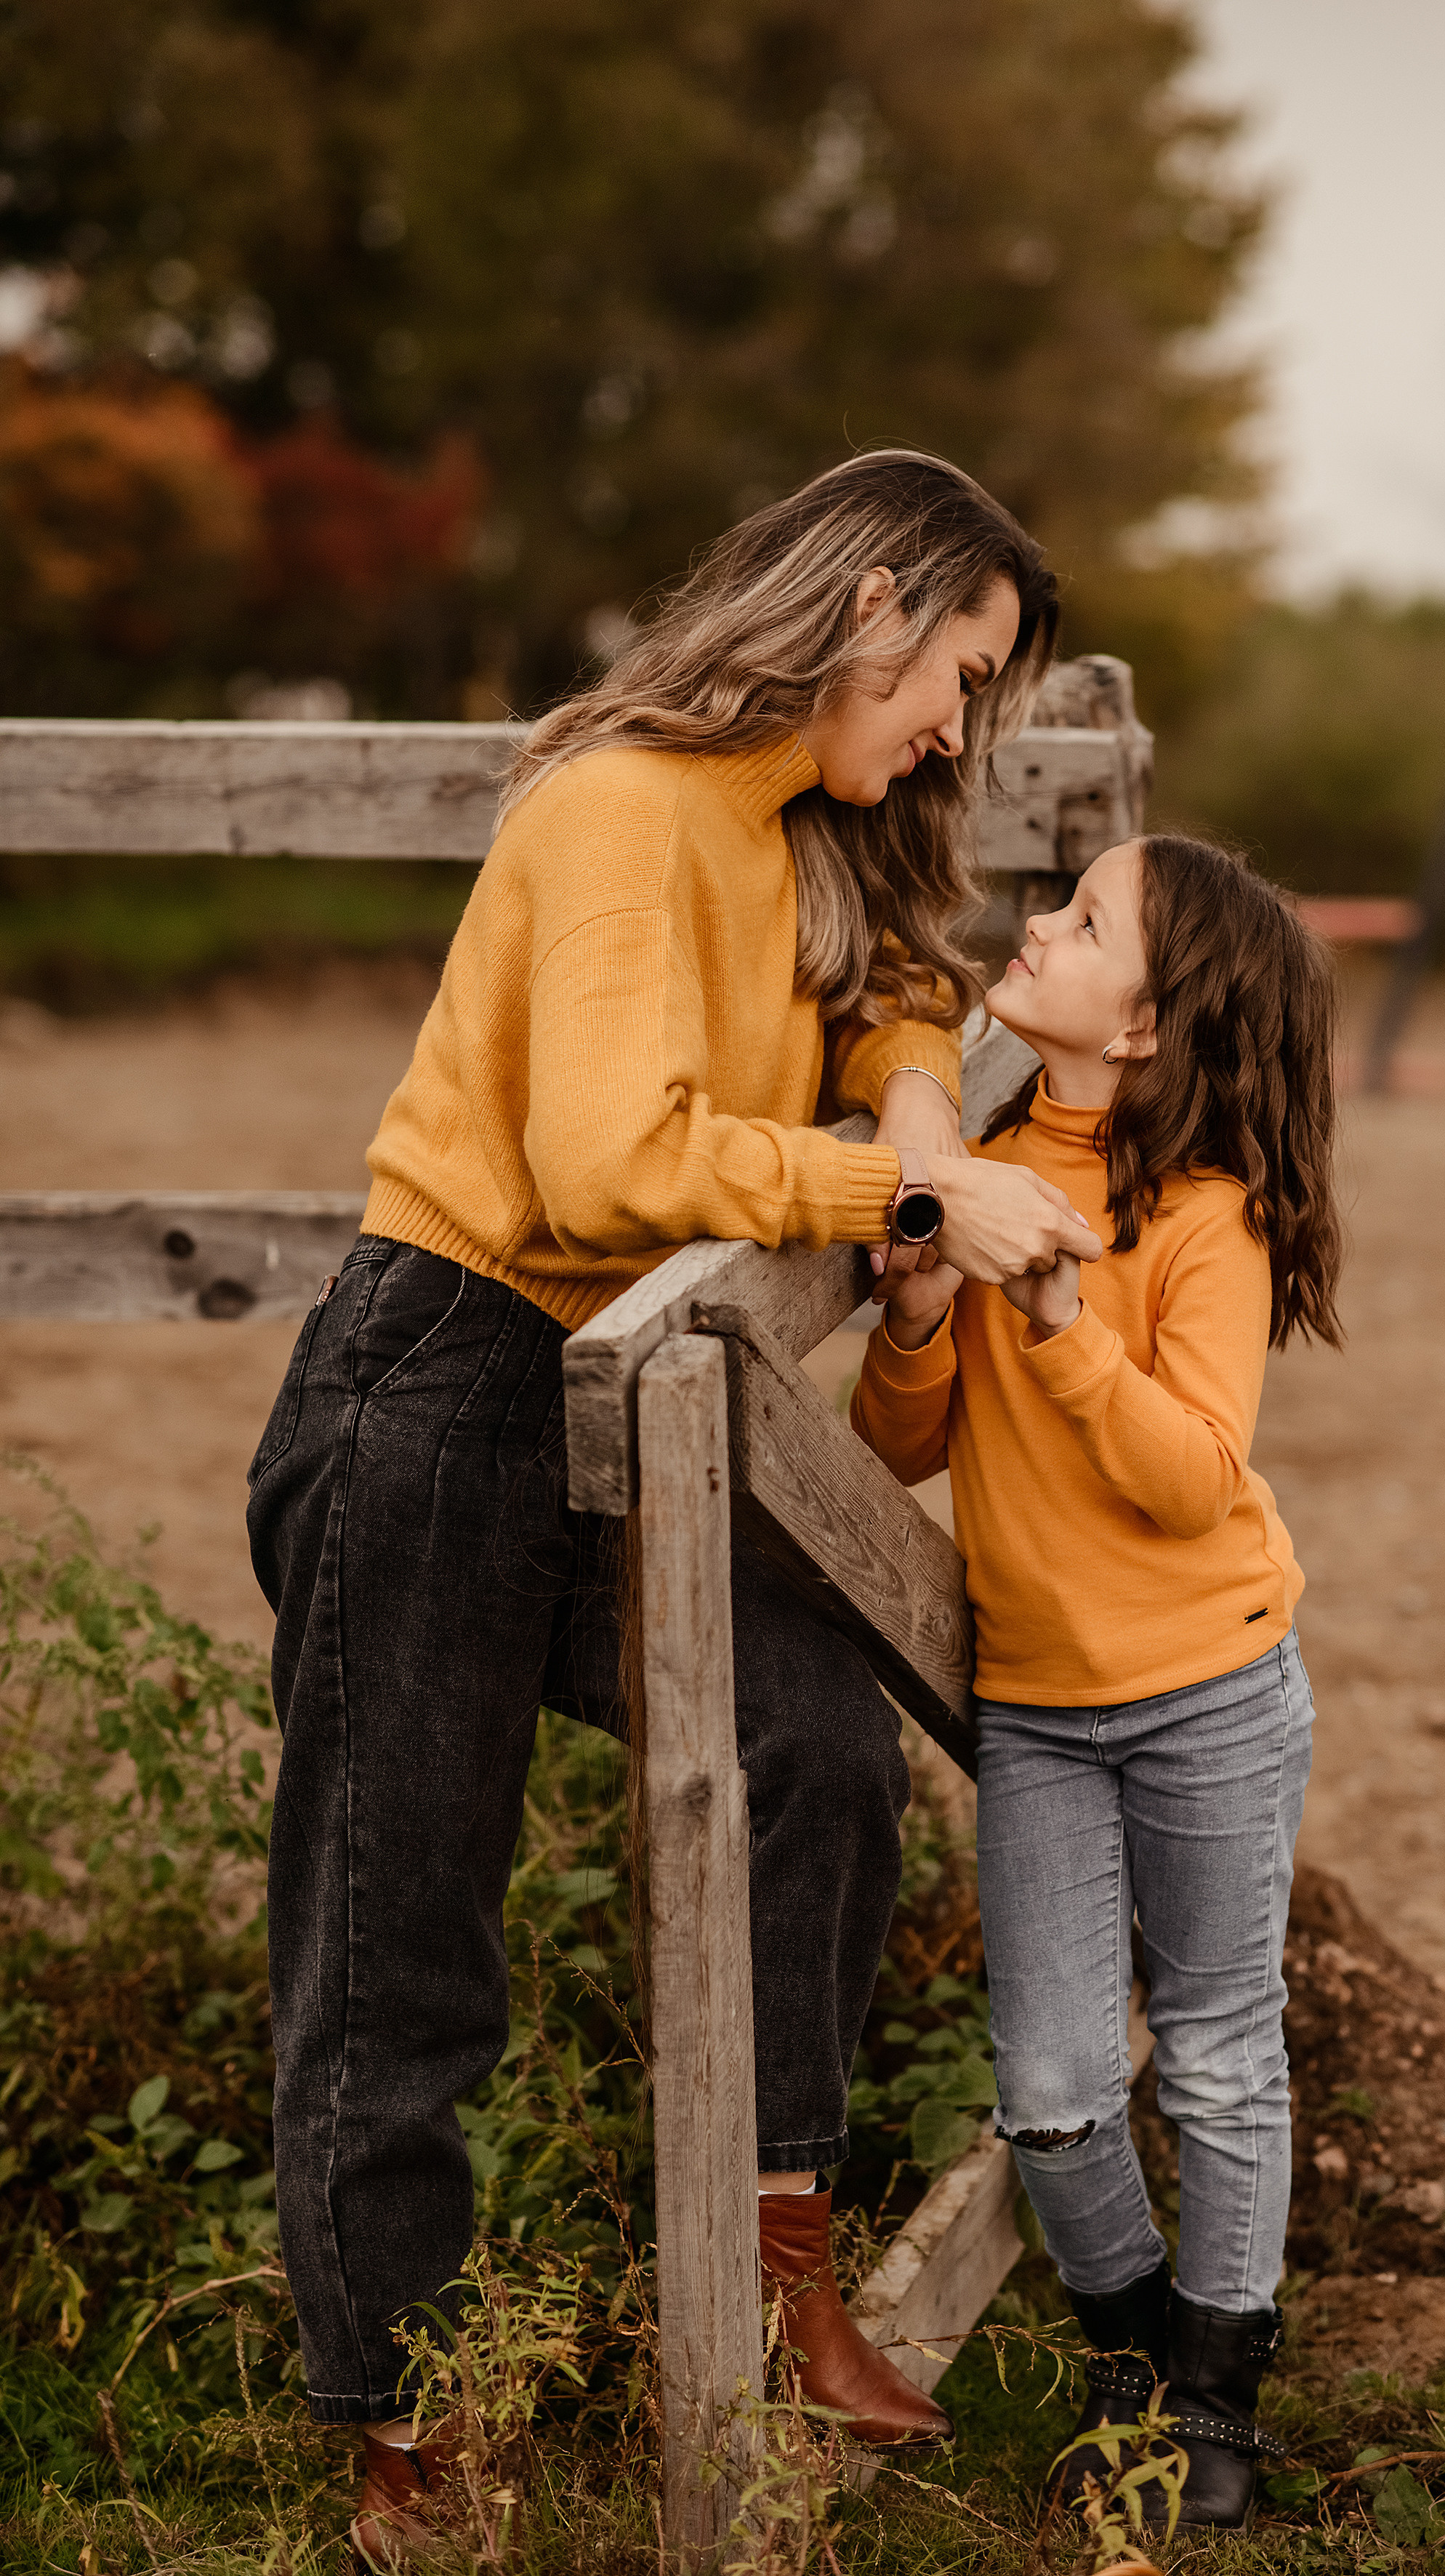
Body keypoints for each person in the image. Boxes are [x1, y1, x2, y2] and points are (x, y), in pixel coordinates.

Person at [244, 449, 1107, 2564]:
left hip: (613, 1410)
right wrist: (913, 1186)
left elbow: (899, 984)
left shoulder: (800, 823)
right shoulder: (625, 813)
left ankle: (780, 2257)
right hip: (433, 1390)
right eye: (957, 679)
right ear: (872, 605)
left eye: (986, 707)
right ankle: (407, 2437)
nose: (951, 734)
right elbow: (615, 1158)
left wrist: (911, 1094)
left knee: (818, 1746)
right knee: (396, 1934)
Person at [850, 831, 1345, 2530]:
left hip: (1209, 1686)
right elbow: (900, 1440)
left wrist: (1061, 1316)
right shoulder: (981, 1169)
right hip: (1044, 1712)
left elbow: (1190, 1478)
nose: (1034, 926)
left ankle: (1208, 2399)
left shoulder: (1207, 1219)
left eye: (1079, 920)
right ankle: (1129, 2337)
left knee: (1213, 2055)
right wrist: (921, 1308)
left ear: (1142, 1024)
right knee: (1056, 2094)